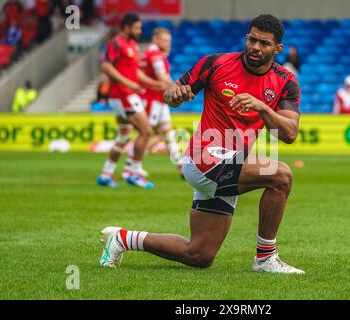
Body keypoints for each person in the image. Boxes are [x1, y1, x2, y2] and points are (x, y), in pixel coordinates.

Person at [99, 14, 305, 274]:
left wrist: (263, 108)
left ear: (277, 49)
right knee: (281, 175)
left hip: (230, 165)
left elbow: (289, 133)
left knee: (198, 254)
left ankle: (123, 239)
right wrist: (176, 95)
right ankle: (265, 258)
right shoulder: (216, 63)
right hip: (204, 157)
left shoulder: (285, 81)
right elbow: (170, 93)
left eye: (264, 43)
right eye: (251, 39)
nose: (255, 47)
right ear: (246, 37)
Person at [96, 13, 162, 189]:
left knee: (124, 135)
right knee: (146, 131)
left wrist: (153, 83)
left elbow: (136, 72)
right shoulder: (116, 43)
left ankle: (106, 174)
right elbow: (106, 66)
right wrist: (129, 84)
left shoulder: (132, 44)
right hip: (122, 95)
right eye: (137, 28)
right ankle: (134, 172)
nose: (139, 31)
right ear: (126, 27)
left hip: (125, 94)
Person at [122, 27, 183, 180]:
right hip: (152, 99)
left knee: (167, 133)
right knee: (146, 134)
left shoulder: (152, 53)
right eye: (164, 40)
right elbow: (162, 76)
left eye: (169, 40)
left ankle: (181, 166)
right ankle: (129, 167)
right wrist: (179, 88)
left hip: (158, 99)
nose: (168, 43)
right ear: (155, 39)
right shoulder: (155, 54)